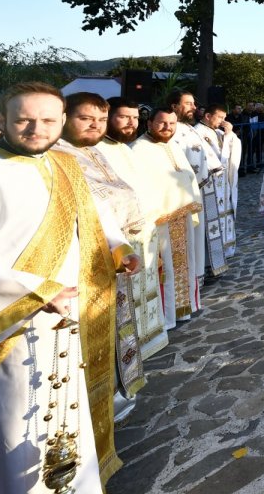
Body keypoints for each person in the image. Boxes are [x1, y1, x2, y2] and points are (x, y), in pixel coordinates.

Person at [0, 82, 138, 493]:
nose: (37, 128)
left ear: (61, 122)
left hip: (70, 317)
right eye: (24, 119)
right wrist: (34, 293)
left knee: (68, 418)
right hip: (6, 328)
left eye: (49, 120)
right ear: (2, 121)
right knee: (14, 422)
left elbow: (94, 217)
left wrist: (118, 249)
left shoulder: (66, 166)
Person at [56, 92, 150, 417]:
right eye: (86, 119)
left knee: (111, 330)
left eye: (99, 119)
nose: (95, 126)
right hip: (78, 263)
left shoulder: (90, 151)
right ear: (64, 116)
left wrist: (121, 245)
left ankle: (113, 395)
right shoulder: (56, 155)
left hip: (109, 255)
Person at [101, 97, 169, 359]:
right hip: (121, 237)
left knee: (146, 288)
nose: (131, 123)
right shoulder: (98, 150)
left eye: (135, 118)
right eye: (123, 117)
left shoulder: (124, 149)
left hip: (145, 232)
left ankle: (147, 338)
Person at [130, 107, 204, 326]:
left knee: (185, 263)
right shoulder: (138, 149)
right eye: (162, 123)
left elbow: (186, 176)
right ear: (149, 123)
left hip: (181, 216)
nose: (167, 127)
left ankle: (185, 308)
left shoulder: (172, 145)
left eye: (172, 124)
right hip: (160, 220)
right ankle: (168, 316)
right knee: (166, 270)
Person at [168, 90, 225, 279]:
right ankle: (192, 277)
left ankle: (202, 271)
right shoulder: (170, 130)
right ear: (174, 106)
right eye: (188, 103)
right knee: (190, 239)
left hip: (202, 188)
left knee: (200, 236)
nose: (194, 107)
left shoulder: (189, 128)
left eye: (194, 103)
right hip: (184, 193)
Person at [195, 103, 242, 260]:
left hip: (222, 184)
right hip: (211, 183)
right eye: (220, 117)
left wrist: (230, 136)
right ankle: (213, 254)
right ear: (208, 116)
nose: (223, 121)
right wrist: (228, 136)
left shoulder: (215, 131)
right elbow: (217, 159)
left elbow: (231, 148)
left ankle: (225, 248)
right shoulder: (199, 132)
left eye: (224, 118)